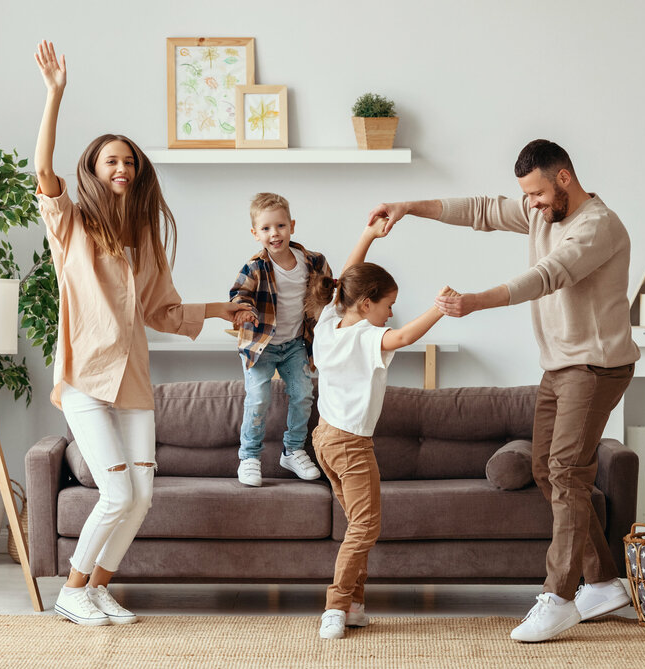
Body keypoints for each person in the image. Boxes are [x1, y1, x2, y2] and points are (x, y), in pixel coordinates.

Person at [369, 139, 640, 643]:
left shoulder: (598, 226)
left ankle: (560, 596)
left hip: (597, 366)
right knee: (545, 465)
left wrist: (474, 302)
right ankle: (603, 581)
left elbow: (547, 276)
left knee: (566, 469)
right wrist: (410, 207)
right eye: (527, 196)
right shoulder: (543, 212)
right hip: (560, 366)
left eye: (536, 193)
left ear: (563, 179)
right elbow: (481, 210)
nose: (531, 205)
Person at [33, 40, 249, 626]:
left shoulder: (146, 241)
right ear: (95, 171)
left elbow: (164, 312)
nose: (123, 168)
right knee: (119, 494)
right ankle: (72, 589)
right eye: (112, 161)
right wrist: (55, 95)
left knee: (143, 497)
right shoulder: (70, 226)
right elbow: (42, 172)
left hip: (132, 381)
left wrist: (218, 311)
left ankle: (98, 588)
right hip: (84, 378)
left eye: (129, 161)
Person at [305, 218, 448, 639]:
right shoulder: (367, 336)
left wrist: (367, 236)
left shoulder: (329, 324)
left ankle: (354, 603)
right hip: (350, 444)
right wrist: (440, 308)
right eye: (388, 304)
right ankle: (335, 605)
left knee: (356, 526)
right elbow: (402, 338)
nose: (391, 312)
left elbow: (345, 279)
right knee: (366, 527)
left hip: (324, 440)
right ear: (366, 304)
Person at [228, 192, 332, 487]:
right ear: (255, 234)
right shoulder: (254, 268)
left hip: (295, 346)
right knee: (258, 399)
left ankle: (293, 450)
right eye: (266, 228)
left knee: (303, 395)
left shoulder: (313, 262)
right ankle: (249, 457)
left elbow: (328, 297)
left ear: (292, 226)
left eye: (281, 226)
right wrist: (244, 312)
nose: (275, 233)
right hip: (260, 347)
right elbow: (239, 297)